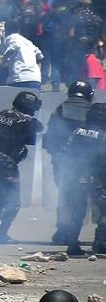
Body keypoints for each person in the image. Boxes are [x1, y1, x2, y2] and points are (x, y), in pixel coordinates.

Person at [0, 91, 42, 243]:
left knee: (3, 194)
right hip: (6, 162)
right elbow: (39, 127)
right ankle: (0, 233)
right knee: (14, 201)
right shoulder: (26, 120)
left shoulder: (3, 113)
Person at [43, 80, 93, 244]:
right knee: (83, 197)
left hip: (62, 160)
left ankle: (62, 230)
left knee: (65, 194)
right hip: (87, 162)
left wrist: (56, 156)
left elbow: (50, 137)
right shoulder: (93, 112)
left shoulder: (60, 109)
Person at [62, 101, 106, 256]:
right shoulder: (102, 136)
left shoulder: (77, 131)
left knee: (78, 212)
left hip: (74, 176)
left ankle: (72, 245)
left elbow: (66, 152)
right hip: (95, 177)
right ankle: (101, 244)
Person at [0, 20, 44, 90]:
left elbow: (12, 48)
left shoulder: (12, 37)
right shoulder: (28, 42)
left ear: (7, 30)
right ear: (18, 30)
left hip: (19, 78)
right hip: (35, 78)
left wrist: (1, 61)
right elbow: (40, 55)